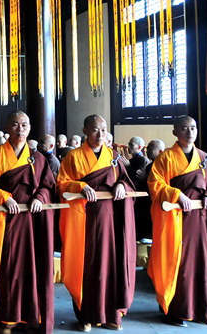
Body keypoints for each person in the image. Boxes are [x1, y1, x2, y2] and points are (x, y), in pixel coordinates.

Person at [0, 111, 55, 334]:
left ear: (30, 128)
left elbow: (48, 185)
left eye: (24, 125)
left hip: (32, 221)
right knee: (9, 267)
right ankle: (9, 317)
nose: (20, 129)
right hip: (6, 221)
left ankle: (31, 316)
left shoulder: (38, 158)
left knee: (34, 266)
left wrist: (40, 198)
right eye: (15, 124)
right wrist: (4, 197)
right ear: (7, 127)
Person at [58, 115, 136, 331]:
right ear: (85, 131)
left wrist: (121, 185)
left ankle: (111, 314)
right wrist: (80, 186)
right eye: (95, 130)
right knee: (87, 266)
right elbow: (61, 184)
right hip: (85, 219)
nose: (100, 134)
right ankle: (86, 316)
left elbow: (127, 181)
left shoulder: (114, 157)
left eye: (103, 130)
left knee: (111, 265)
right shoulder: (73, 157)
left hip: (111, 220)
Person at [148, 116, 207, 326]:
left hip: (200, 220)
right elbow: (155, 185)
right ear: (175, 132)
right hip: (176, 219)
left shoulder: (204, 158)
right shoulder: (165, 158)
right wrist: (177, 194)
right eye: (184, 128)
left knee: (201, 262)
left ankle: (202, 310)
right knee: (179, 264)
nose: (190, 132)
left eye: (193, 128)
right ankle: (177, 311)